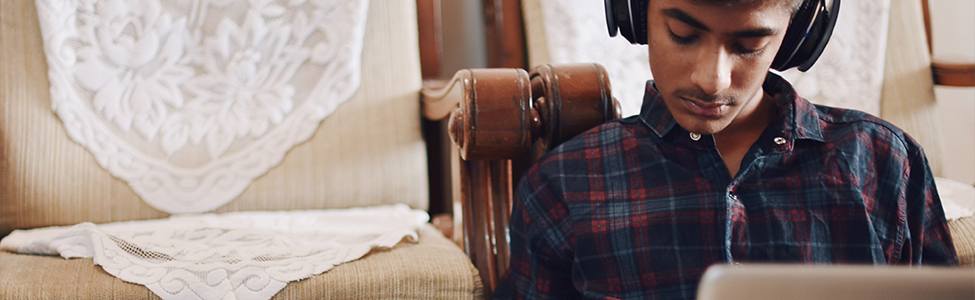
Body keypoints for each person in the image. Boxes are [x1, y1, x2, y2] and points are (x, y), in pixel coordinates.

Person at [492, 0, 959, 299]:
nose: (711, 80)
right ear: (637, 15)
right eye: (683, 34)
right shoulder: (565, 182)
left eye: (750, 45)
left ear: (796, 39)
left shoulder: (883, 160)